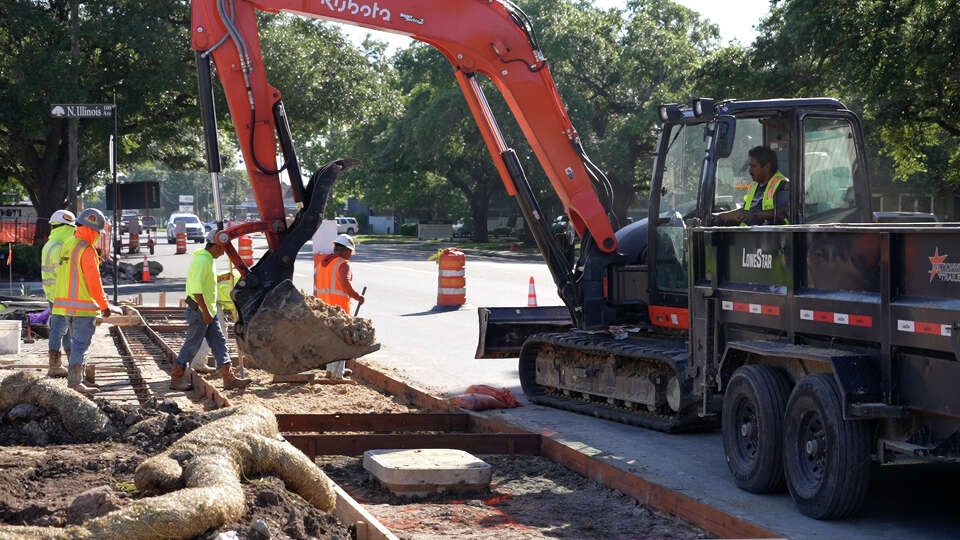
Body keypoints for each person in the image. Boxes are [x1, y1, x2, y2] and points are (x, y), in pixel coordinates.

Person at [170, 230, 251, 391]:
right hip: (201, 311)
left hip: (208, 311)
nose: (223, 253)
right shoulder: (203, 261)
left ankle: (228, 378)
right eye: (222, 249)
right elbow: (197, 290)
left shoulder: (208, 259)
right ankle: (176, 378)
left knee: (219, 343)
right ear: (215, 246)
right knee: (192, 345)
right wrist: (206, 313)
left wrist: (209, 312)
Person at [51, 208, 118, 394]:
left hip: (66, 307)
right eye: (97, 232)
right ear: (91, 230)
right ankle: (74, 382)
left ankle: (78, 380)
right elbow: (94, 283)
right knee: (81, 345)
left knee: (75, 343)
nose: (98, 236)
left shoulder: (69, 244)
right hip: (84, 308)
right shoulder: (87, 251)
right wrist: (104, 306)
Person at [314, 234, 365, 379]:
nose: (350, 256)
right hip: (339, 309)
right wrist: (358, 297)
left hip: (324, 308)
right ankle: (336, 375)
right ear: (345, 250)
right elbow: (345, 284)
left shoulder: (323, 264)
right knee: (341, 342)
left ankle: (331, 371)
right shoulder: (343, 264)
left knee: (331, 342)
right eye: (350, 252)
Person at [713, 146, 790, 225]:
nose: (750, 171)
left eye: (753, 166)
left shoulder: (782, 185)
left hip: (772, 236)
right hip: (751, 235)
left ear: (767, 166)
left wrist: (755, 215)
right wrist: (719, 216)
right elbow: (745, 212)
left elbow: (783, 212)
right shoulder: (754, 186)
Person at [41, 210, 76, 378]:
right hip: (61, 295)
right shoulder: (59, 247)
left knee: (65, 329)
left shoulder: (51, 243)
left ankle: (70, 362)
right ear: (66, 227)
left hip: (54, 294)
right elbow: (67, 273)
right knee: (58, 329)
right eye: (72, 228)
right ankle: (54, 365)